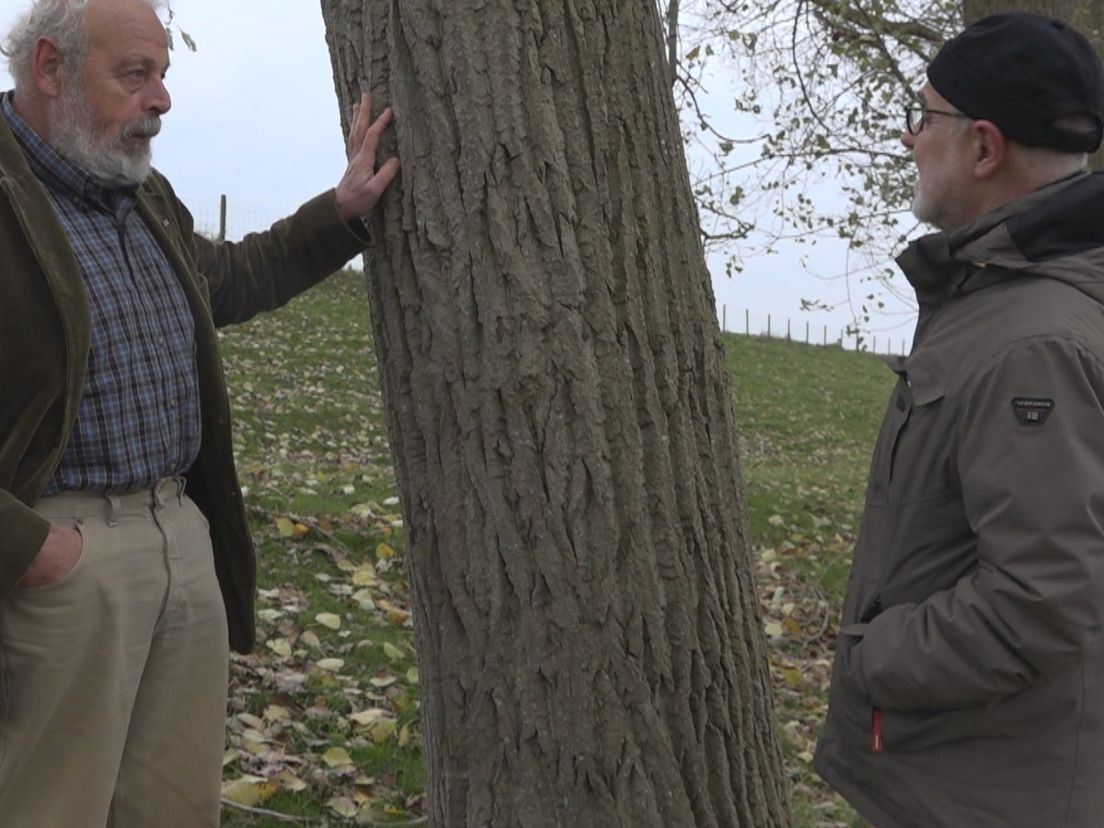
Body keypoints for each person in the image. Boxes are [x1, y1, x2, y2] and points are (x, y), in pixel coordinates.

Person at [0, 0, 400, 824]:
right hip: (62, 567)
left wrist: (342, 213)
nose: (162, 101)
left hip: (182, 543)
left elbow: (223, 278)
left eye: (163, 76)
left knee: (172, 807)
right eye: (135, 75)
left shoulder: (139, 192)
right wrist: (36, 551)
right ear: (49, 69)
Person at [813, 12, 1104, 828]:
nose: (910, 139)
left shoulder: (1036, 340)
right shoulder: (1003, 297)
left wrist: (878, 656)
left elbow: (1039, 600)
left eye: (926, 117)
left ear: (983, 146)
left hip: (985, 794)